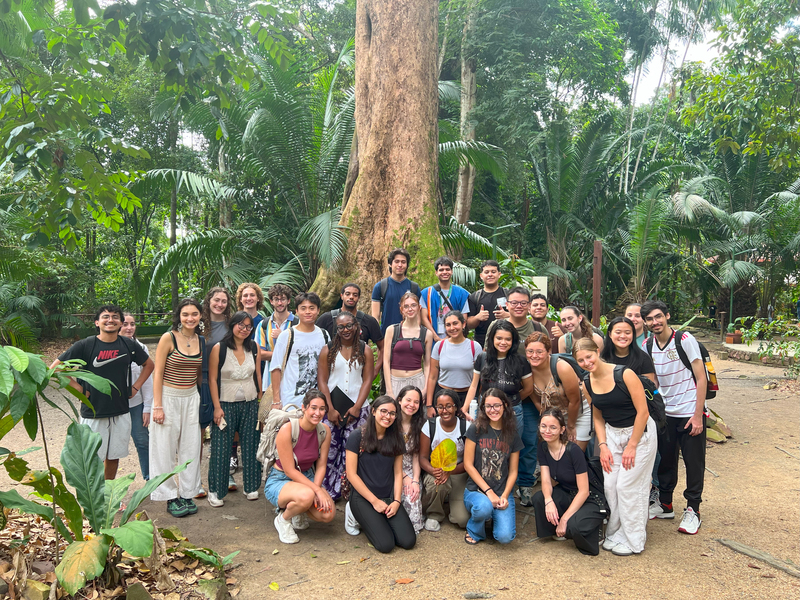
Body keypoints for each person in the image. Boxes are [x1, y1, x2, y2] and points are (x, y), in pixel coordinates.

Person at [575, 338, 657, 555]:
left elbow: (643, 412)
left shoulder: (624, 374)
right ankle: (616, 531)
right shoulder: (587, 382)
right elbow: (598, 416)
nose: (586, 362)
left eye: (589, 356)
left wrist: (632, 445)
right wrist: (602, 445)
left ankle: (634, 538)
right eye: (581, 360)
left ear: (597, 351)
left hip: (639, 433)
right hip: (611, 433)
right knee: (611, 484)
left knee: (628, 486)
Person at [51, 305, 154, 480]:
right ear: (97, 322)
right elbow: (55, 369)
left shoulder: (128, 344)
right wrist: (79, 389)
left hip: (121, 411)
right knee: (92, 458)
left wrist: (135, 387)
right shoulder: (85, 345)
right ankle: (93, 497)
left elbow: (149, 365)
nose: (110, 320)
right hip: (93, 412)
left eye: (115, 317)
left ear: (121, 323)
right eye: (105, 316)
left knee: (113, 456)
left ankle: (107, 496)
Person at [641, 300, 707, 535]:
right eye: (649, 319)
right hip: (666, 415)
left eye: (658, 316)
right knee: (666, 461)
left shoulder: (684, 340)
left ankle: (693, 509)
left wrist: (698, 415)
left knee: (693, 462)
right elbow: (654, 381)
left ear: (667, 315)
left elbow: (701, 378)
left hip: (689, 413)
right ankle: (665, 503)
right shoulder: (648, 345)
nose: (654, 322)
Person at [149, 299, 204, 517]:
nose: (190, 318)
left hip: (191, 397)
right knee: (165, 447)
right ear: (178, 316)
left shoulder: (202, 340)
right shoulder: (168, 338)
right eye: (185, 314)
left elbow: (200, 374)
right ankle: (169, 496)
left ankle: (188, 493)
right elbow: (158, 373)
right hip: (168, 396)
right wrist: (158, 406)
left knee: (191, 447)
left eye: (194, 314)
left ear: (200, 316)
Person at [524, 330, 591, 505]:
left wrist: (569, 427)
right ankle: (554, 498)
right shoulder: (527, 369)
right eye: (530, 351)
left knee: (571, 456)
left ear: (548, 352)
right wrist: (548, 422)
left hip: (577, 414)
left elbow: (575, 400)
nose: (534, 355)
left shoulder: (560, 367)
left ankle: (580, 497)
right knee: (554, 457)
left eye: (539, 351)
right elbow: (535, 398)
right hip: (553, 417)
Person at [345, 396, 416, 553]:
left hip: (388, 496)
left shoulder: (397, 438)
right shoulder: (357, 436)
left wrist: (397, 501)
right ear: (374, 411)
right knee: (386, 545)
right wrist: (375, 502)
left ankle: (379, 517)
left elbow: (398, 473)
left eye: (392, 413)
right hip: (363, 498)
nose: (387, 416)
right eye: (383, 411)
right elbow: (351, 474)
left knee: (408, 541)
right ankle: (352, 513)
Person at [206, 312, 263, 507]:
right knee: (221, 447)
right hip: (225, 403)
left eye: (248, 326)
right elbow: (212, 379)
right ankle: (215, 490)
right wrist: (216, 407)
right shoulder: (219, 348)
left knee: (251, 444)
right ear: (232, 325)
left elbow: (257, 374)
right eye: (241, 325)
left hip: (250, 402)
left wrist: (260, 400)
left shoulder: (254, 347)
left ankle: (251, 486)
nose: (244, 329)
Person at [317, 312, 375, 500]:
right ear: (336, 329)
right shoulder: (328, 350)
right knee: (330, 450)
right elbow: (323, 381)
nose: (345, 330)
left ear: (356, 326)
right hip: (333, 407)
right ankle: (329, 490)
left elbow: (367, 380)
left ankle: (351, 491)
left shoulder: (365, 349)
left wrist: (358, 406)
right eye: (341, 327)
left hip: (359, 407)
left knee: (354, 450)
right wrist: (330, 408)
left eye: (349, 325)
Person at [532, 408, 606, 555]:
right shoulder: (543, 447)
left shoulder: (574, 451)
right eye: (544, 426)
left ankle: (596, 526)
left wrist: (564, 519)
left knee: (574, 527)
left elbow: (584, 491)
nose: (547, 431)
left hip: (589, 497)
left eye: (553, 427)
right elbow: (546, 480)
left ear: (562, 429)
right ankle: (558, 529)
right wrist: (549, 501)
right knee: (539, 498)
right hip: (567, 492)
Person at [264, 390, 335, 543]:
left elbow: (322, 466)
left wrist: (317, 488)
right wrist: (316, 490)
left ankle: (299, 510)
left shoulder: (324, 430)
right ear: (304, 408)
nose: (317, 413)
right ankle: (283, 519)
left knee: (327, 514)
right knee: (307, 496)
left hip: (307, 476)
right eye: (313, 408)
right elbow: (289, 469)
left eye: (322, 409)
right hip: (281, 478)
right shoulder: (288, 429)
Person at [463, 389, 523, 545]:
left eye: (497, 405)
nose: (493, 410)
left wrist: (504, 496)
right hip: (476, 490)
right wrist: (489, 492)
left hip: (501, 490)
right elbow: (468, 465)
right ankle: (475, 529)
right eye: (488, 406)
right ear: (483, 408)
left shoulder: (512, 434)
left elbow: (513, 471)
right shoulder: (475, 429)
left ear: (504, 406)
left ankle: (490, 516)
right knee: (483, 507)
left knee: (504, 537)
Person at [464, 320, 533, 427]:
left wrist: (509, 402)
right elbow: (473, 386)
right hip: (486, 411)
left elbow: (528, 389)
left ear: (513, 341)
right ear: (492, 339)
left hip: (512, 412)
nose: (503, 342)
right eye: (499, 338)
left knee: (511, 443)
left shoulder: (521, 361)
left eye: (508, 339)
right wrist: (465, 408)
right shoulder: (482, 358)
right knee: (485, 442)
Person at [198, 287, 233, 498]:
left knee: (223, 428)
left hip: (224, 380)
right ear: (208, 300)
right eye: (216, 300)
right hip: (200, 379)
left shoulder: (230, 325)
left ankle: (225, 473)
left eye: (223, 301)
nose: (219, 304)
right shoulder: (199, 323)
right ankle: (195, 480)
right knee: (199, 431)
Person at [420, 389, 469, 531]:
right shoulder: (430, 425)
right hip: (436, 469)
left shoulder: (466, 427)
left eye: (449, 406)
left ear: (456, 407)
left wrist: (450, 471)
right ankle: (435, 514)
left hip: (458, 471)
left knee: (462, 520)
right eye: (440, 407)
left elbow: (468, 462)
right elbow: (422, 457)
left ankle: (451, 500)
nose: (444, 410)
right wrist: (432, 470)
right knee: (439, 484)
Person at [270, 292, 330, 410]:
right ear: (296, 311)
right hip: (290, 401)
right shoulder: (287, 336)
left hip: (316, 402)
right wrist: (276, 400)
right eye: (303, 308)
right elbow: (276, 368)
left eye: (312, 308)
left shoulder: (324, 335)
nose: (307, 312)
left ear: (318, 310)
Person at [317, 283, 384, 379]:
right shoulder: (327, 318)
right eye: (348, 294)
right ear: (341, 296)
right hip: (331, 376)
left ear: (359, 298)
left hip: (358, 376)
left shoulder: (368, 321)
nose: (351, 297)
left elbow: (383, 347)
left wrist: (375, 371)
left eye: (355, 295)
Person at [425, 311, 481, 418]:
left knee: (465, 432)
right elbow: (432, 377)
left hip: (466, 397)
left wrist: (471, 403)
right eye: (448, 325)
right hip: (442, 396)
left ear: (463, 324)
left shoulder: (475, 347)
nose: (452, 328)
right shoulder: (439, 346)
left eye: (455, 323)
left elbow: (478, 380)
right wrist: (429, 405)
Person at [120, 313, 154, 481]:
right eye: (125, 324)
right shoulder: (107, 348)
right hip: (113, 406)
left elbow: (147, 379)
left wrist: (147, 407)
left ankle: (149, 478)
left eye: (132, 324)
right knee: (112, 446)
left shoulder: (140, 347)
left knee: (142, 441)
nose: (129, 328)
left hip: (135, 404)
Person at [383, 292, 434, 398]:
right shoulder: (392, 330)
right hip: (395, 381)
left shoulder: (426, 334)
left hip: (417, 381)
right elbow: (386, 361)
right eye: (406, 306)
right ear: (401, 309)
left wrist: (425, 388)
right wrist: (389, 390)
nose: (410, 309)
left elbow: (427, 363)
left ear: (419, 307)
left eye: (413, 305)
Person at [255, 284, 298, 392]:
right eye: (276, 299)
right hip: (269, 381)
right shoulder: (263, 325)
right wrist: (285, 354)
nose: (280, 303)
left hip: (293, 380)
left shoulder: (298, 323)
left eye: (283, 299)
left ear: (288, 301)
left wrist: (283, 336)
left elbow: (301, 352)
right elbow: (260, 354)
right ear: (271, 301)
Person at [371, 248, 421, 335]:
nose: (400, 265)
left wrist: (416, 336)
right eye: (396, 261)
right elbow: (375, 317)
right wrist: (379, 341)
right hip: (386, 336)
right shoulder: (380, 286)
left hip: (409, 337)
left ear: (407, 265)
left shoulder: (414, 287)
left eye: (403, 262)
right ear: (390, 264)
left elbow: (418, 316)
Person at [420, 256, 470, 341]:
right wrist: (435, 337)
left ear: (452, 272)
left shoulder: (462, 293)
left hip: (456, 339)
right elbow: (423, 318)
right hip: (432, 339)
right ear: (436, 272)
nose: (445, 272)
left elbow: (463, 317)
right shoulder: (426, 293)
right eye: (441, 270)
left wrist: (449, 337)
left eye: (447, 269)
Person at [396, 385, 425, 533]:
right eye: (408, 400)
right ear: (400, 400)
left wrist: (415, 480)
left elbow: (416, 456)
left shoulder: (419, 425)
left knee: (412, 494)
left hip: (411, 469)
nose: (411, 405)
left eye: (416, 402)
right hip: (392, 467)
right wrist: (404, 476)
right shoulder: (391, 421)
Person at [467, 260, 510, 348]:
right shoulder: (474, 297)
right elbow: (468, 324)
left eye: (493, 272)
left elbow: (520, 316)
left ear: (499, 274)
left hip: (505, 341)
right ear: (481, 276)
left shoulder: (508, 294)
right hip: (481, 343)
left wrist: (507, 315)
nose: (490, 274)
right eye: (486, 272)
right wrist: (477, 317)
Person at [601, 317, 657, 383]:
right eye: (618, 332)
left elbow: (649, 386)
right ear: (610, 334)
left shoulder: (643, 358)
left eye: (627, 333)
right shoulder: (602, 358)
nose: (622, 336)